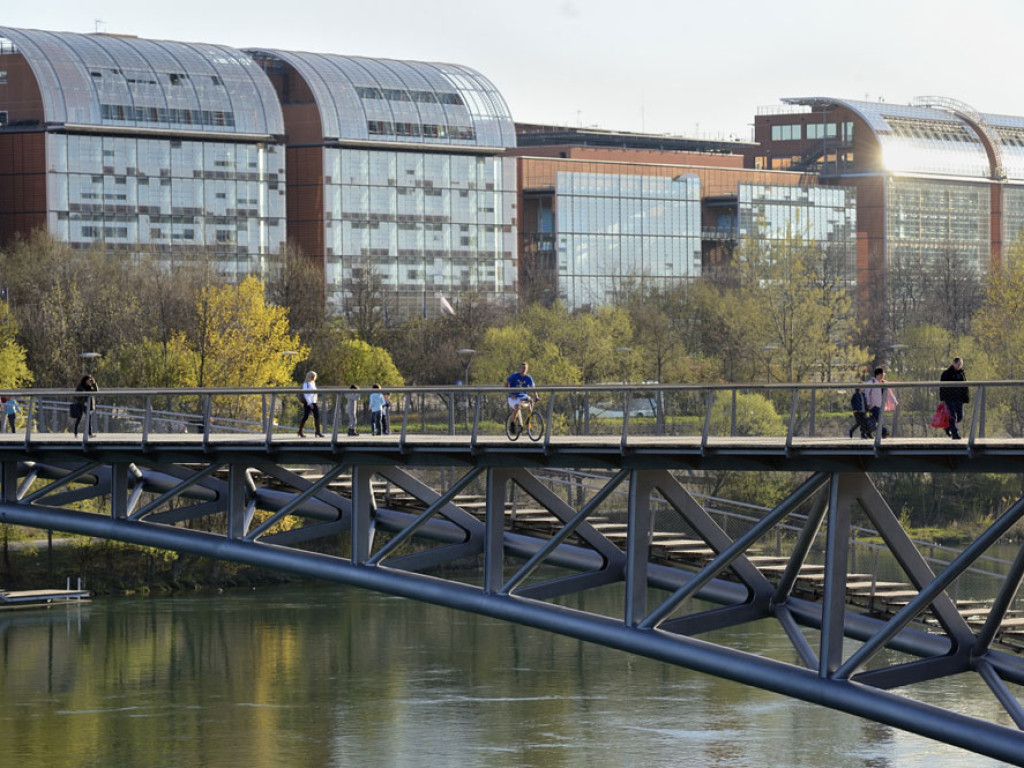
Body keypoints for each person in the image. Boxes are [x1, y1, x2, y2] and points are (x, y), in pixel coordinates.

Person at [939, 357, 969, 440]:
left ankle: (947, 427)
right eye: (958, 364)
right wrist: (943, 399)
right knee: (953, 415)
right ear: (954, 363)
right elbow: (942, 387)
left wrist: (965, 399)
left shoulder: (962, 374)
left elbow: (965, 387)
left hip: (959, 398)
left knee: (960, 416)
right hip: (949, 398)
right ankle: (955, 434)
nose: (959, 366)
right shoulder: (946, 374)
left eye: (960, 365)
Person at [864, 366, 897, 438]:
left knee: (876, 420)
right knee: (879, 419)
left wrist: (894, 401)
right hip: (874, 405)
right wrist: (868, 403)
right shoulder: (871, 383)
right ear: (878, 375)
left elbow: (889, 393)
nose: (883, 376)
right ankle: (884, 432)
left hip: (881, 405)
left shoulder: (883, 383)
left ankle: (868, 431)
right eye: (882, 374)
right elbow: (867, 393)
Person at [505, 362, 535, 432]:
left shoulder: (528, 378)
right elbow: (506, 385)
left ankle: (528, 419)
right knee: (517, 407)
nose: (523, 369)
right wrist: (511, 393)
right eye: (522, 368)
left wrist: (536, 396)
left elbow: (533, 388)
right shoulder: (514, 376)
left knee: (531, 401)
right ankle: (512, 423)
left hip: (523, 397)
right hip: (513, 397)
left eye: (525, 368)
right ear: (519, 368)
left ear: (527, 369)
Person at [297, 370, 323, 438]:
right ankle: (300, 431)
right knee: (306, 416)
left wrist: (315, 401)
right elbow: (306, 394)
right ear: (310, 376)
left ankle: (318, 431)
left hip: (314, 402)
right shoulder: (306, 383)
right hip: (308, 402)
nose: (314, 378)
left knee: (317, 416)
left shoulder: (313, 383)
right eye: (313, 376)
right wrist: (309, 403)